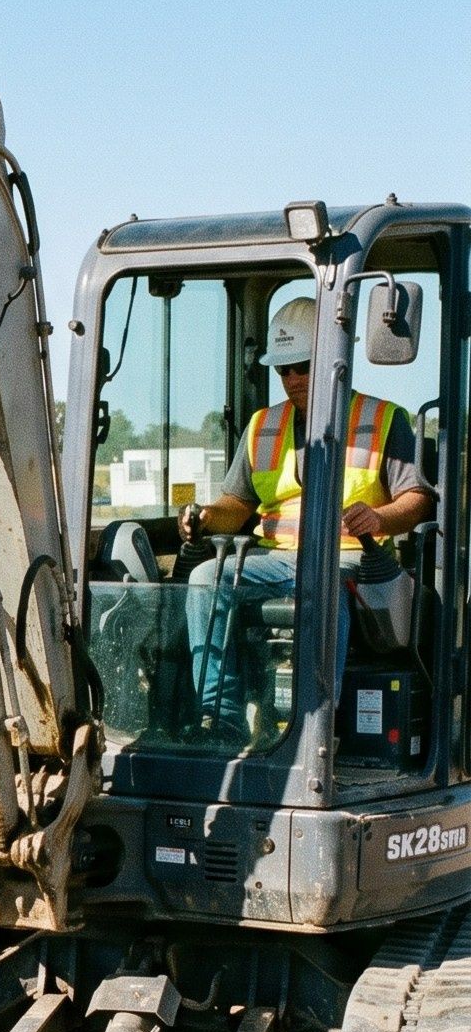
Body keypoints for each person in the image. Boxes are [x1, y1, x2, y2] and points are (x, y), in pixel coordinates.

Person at [180, 292, 431, 737]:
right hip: (275, 560)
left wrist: (380, 518)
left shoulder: (382, 418)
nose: (292, 379)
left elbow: (417, 499)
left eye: (303, 367)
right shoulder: (263, 426)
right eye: (283, 370)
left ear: (336, 360)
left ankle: (316, 723)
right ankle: (221, 717)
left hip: (351, 561)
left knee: (323, 581)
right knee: (204, 579)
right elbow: (235, 507)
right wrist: (202, 517)